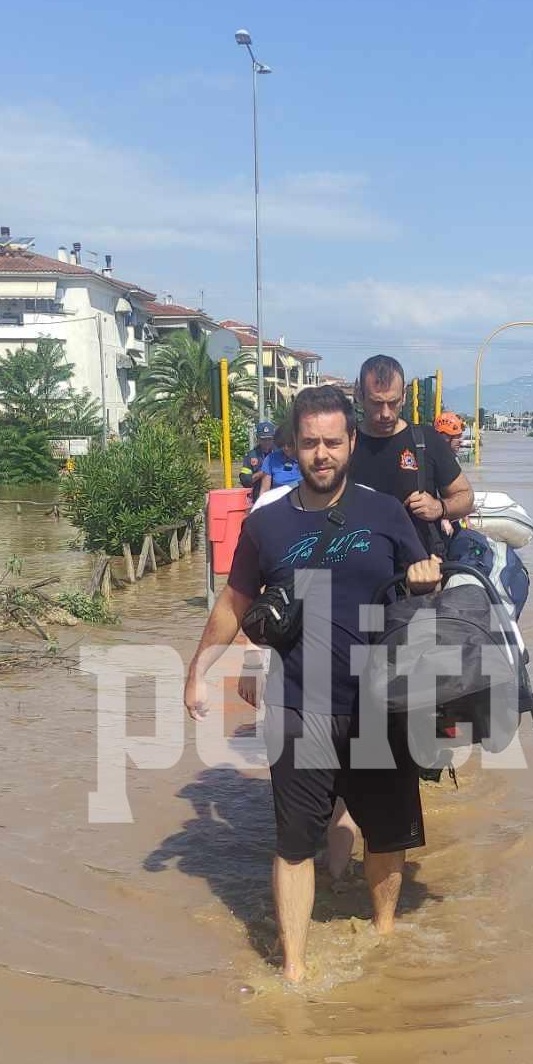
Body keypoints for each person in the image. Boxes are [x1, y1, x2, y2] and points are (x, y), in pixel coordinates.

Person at [184, 384, 440, 984]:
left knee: (385, 833)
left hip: (380, 702)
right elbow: (234, 602)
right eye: (309, 443)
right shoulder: (267, 525)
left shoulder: (385, 513)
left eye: (332, 442)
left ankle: (383, 940)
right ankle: (294, 972)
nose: (321, 454)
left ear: (351, 443)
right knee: (295, 842)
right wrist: (199, 670)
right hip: (302, 703)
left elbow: (419, 584)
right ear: (291, 447)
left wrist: (425, 578)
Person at [349, 356, 474, 552]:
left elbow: (466, 497)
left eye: (393, 403)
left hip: (419, 572)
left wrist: (440, 508)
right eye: (376, 403)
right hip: (358, 571)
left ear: (404, 396)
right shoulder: (344, 444)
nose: (386, 413)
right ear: (359, 395)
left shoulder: (426, 441)